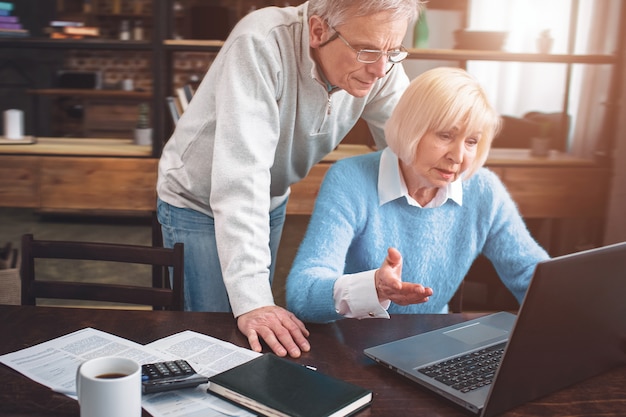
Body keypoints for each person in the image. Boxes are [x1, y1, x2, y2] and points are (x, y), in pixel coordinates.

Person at [156, 0, 423, 357]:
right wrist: (252, 302)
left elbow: (410, 139)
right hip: (198, 198)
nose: (379, 69)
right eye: (366, 51)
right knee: (215, 333)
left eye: (392, 51)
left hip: (270, 195)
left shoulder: (380, 62)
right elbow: (241, 178)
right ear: (318, 31)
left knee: (251, 333)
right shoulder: (261, 41)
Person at [286, 67, 550, 323]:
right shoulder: (349, 178)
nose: (458, 157)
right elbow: (303, 293)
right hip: (352, 341)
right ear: (411, 128)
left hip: (434, 340)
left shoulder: (483, 189)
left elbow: (531, 273)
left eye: (471, 141)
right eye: (446, 135)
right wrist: (374, 287)